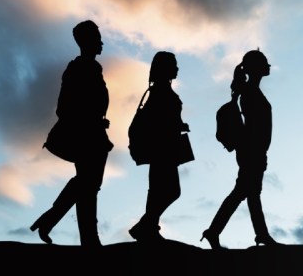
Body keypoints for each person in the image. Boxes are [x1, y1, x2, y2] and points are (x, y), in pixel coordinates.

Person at [31, 20, 113, 246]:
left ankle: (53, 222)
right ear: (86, 41)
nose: (101, 42)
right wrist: (87, 120)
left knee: (88, 184)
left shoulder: (94, 68)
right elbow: (63, 107)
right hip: (86, 135)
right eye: (97, 38)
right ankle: (88, 238)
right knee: (88, 184)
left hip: (95, 133)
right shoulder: (77, 69)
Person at [201, 49, 279, 248]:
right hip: (252, 151)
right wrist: (258, 150)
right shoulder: (250, 92)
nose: (268, 66)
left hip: (254, 150)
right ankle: (256, 234)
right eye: (264, 62)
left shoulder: (249, 90)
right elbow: (254, 126)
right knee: (245, 192)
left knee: (247, 193)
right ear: (256, 68)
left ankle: (219, 232)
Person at [129, 51, 192, 242]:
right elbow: (158, 121)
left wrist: (179, 125)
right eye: (173, 64)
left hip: (166, 148)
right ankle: (146, 225)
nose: (177, 68)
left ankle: (148, 227)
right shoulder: (160, 92)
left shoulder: (161, 91)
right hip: (162, 149)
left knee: (158, 190)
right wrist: (175, 125)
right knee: (169, 190)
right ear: (165, 68)